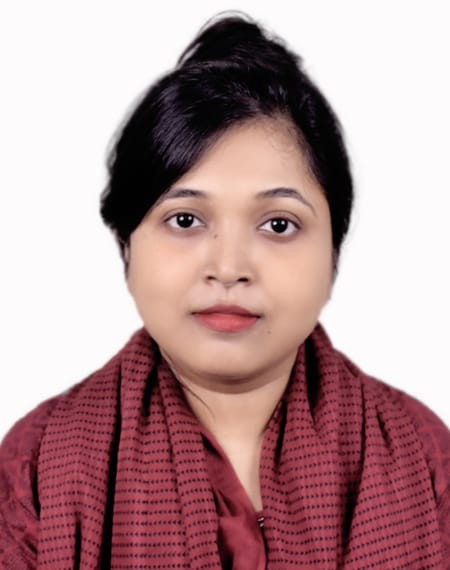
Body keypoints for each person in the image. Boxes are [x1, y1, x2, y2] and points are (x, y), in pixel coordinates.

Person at [0, 11, 449, 570]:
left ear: (334, 253)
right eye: (185, 220)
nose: (229, 267)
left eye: (278, 224)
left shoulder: (424, 458)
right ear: (125, 246)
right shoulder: (37, 466)